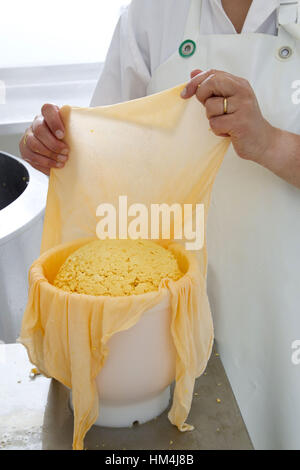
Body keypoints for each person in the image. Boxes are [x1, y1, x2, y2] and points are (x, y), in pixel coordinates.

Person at [19, 0, 300, 449]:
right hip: (156, 322)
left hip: (285, 312)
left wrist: (272, 143)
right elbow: (98, 151)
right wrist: (54, 144)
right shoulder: (153, 14)